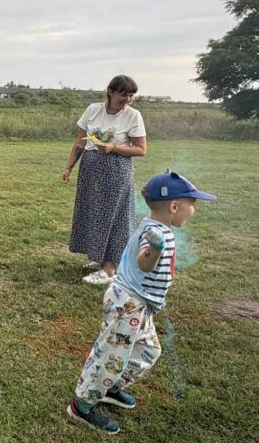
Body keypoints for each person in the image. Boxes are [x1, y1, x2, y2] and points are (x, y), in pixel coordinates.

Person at [67, 170, 216, 434]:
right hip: (128, 303)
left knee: (148, 350)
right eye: (192, 204)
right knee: (111, 353)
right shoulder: (158, 236)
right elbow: (144, 263)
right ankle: (82, 404)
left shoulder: (154, 226)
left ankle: (110, 386)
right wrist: (155, 251)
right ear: (174, 206)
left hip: (137, 304)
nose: (193, 210)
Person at [61, 75, 147, 285]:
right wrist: (69, 166)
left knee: (114, 217)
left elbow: (141, 149)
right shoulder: (93, 110)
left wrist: (114, 148)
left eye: (131, 95)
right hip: (90, 169)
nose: (127, 99)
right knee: (92, 212)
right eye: (123, 94)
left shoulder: (133, 116)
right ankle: (98, 258)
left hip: (116, 170)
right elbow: (80, 141)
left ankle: (109, 269)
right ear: (110, 91)